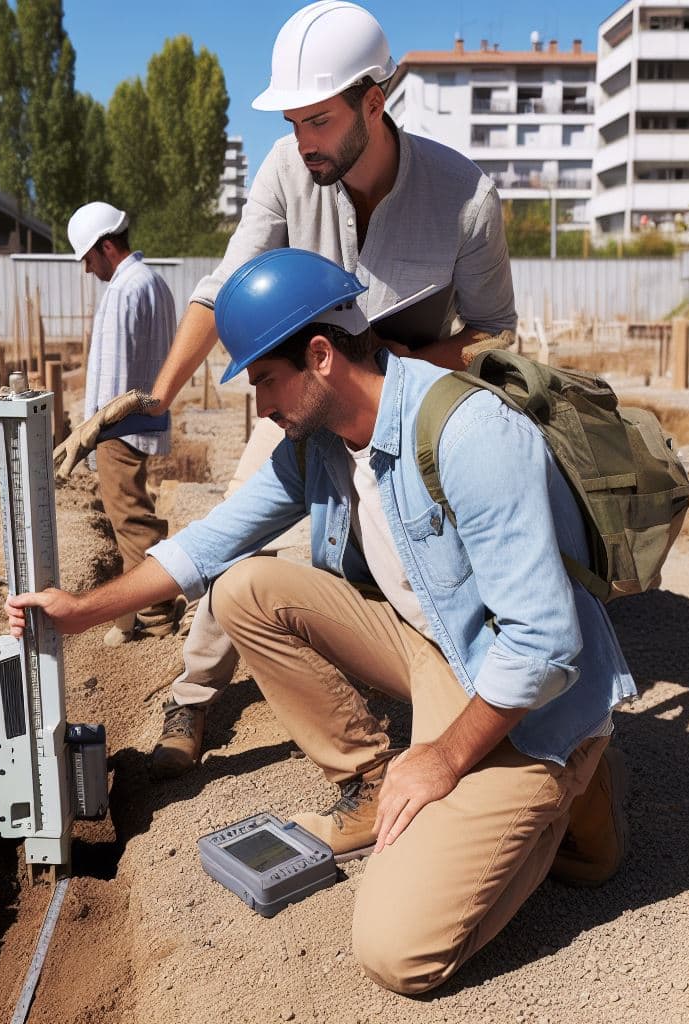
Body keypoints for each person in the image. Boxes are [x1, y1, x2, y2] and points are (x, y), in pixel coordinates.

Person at [5, 248, 633, 995]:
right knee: (243, 588)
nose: (262, 405)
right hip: (436, 648)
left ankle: (570, 775)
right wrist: (82, 611)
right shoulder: (323, 447)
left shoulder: (470, 434)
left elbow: (543, 645)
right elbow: (212, 542)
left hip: (527, 695)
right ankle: (374, 780)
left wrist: (441, 760)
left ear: (322, 356)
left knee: (397, 953)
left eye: (266, 381)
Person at [147, 0, 518, 776]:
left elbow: (494, 335)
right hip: (304, 397)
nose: (301, 140)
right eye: (293, 122)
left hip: (416, 404)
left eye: (316, 120)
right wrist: (159, 394)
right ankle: (191, 697)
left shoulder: (465, 198)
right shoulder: (288, 171)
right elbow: (224, 286)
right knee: (237, 528)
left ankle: (466, 682)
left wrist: (399, 359)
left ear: (373, 102)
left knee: (426, 548)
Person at [66, 201, 181, 647]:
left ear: (105, 246)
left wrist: (91, 433)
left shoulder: (123, 290)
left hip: (117, 430)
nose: (87, 270)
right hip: (142, 422)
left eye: (88, 259)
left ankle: (153, 618)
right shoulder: (154, 283)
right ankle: (135, 614)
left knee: (131, 521)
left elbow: (112, 376)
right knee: (132, 517)